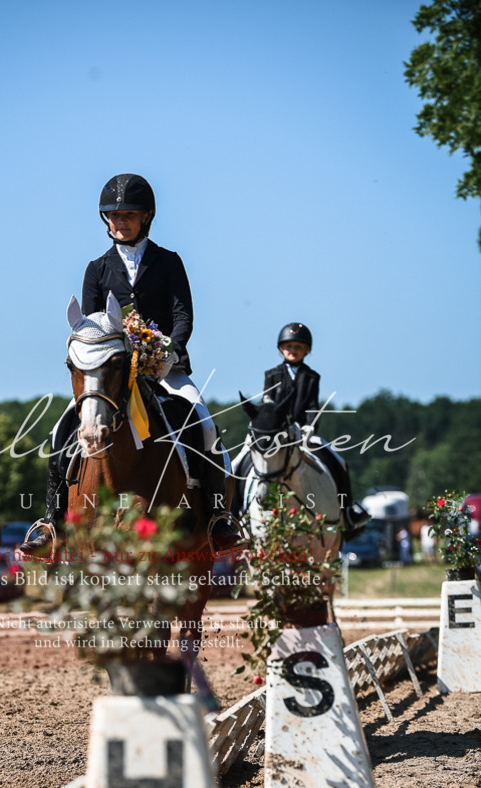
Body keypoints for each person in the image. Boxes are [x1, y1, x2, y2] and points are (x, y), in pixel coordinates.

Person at [22, 173, 238, 550]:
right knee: (62, 429)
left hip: (165, 368)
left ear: (146, 217)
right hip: (113, 374)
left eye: (128, 215)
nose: (119, 222)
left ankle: (219, 516)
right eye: (113, 216)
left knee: (203, 421)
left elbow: (183, 314)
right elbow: (91, 326)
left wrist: (169, 348)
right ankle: (52, 520)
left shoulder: (169, 262)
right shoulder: (97, 268)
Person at [262, 322, 369, 535]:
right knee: (241, 461)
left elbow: (312, 405)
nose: (293, 350)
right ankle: (234, 509)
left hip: (303, 433)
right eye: (289, 346)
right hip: (276, 435)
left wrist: (310, 427)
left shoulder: (312, 377)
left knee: (339, 462)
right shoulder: (272, 375)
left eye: (298, 347)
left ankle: (347, 511)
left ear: (307, 350)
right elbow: (268, 405)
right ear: (281, 348)